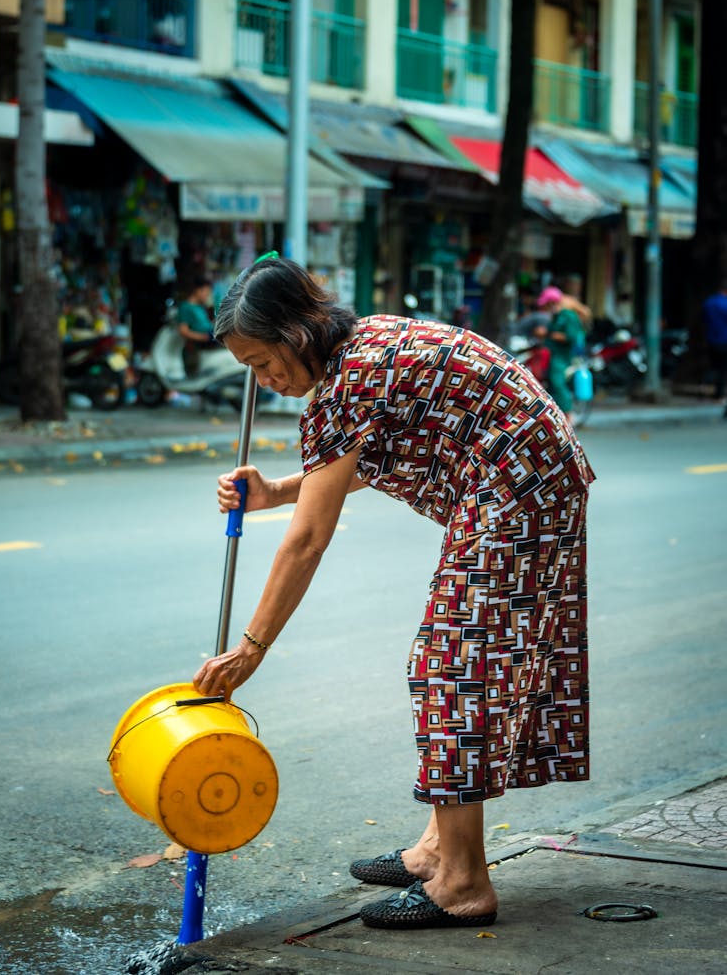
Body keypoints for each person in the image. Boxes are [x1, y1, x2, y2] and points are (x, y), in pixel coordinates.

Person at [194, 256, 593, 931]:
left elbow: (307, 541)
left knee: (450, 667)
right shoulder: (358, 353)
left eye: (262, 362)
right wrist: (274, 493)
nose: (263, 380)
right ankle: (438, 849)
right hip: (529, 475)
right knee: (454, 661)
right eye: (250, 370)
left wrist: (250, 649)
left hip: (517, 486)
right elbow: (358, 463)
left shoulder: (345, 384)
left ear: (295, 334)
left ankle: (463, 883)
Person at [537, 285, 587, 423]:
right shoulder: (557, 316)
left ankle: (569, 417)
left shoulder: (568, 316)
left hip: (562, 356)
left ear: (552, 302)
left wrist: (548, 334)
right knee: (551, 384)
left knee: (558, 383)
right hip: (553, 355)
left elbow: (570, 336)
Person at [177, 276, 215, 376]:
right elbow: (183, 331)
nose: (207, 296)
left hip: (208, 344)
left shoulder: (200, 307)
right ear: (198, 290)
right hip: (195, 349)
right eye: (206, 293)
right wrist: (203, 337)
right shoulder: (185, 307)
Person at [702, 282, 727, 407]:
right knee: (722, 369)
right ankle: (719, 394)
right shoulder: (725, 304)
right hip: (724, 339)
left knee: (714, 366)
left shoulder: (709, 302)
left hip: (711, 339)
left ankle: (706, 389)